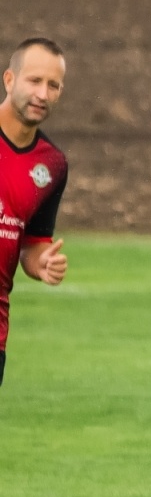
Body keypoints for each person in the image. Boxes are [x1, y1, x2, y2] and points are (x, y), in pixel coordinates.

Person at [0, 38, 70, 388]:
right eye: (34, 81)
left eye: (52, 85)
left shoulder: (52, 165)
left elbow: (32, 242)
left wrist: (40, 262)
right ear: (9, 80)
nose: (43, 93)